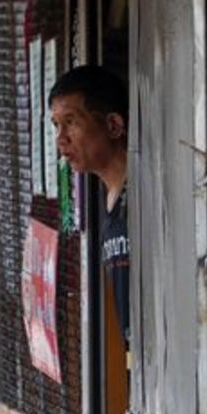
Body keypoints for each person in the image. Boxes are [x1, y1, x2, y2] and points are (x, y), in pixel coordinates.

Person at [48, 65, 129, 346]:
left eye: (71, 122)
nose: (61, 139)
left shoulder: (145, 193)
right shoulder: (107, 201)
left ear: (113, 126)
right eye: (56, 125)